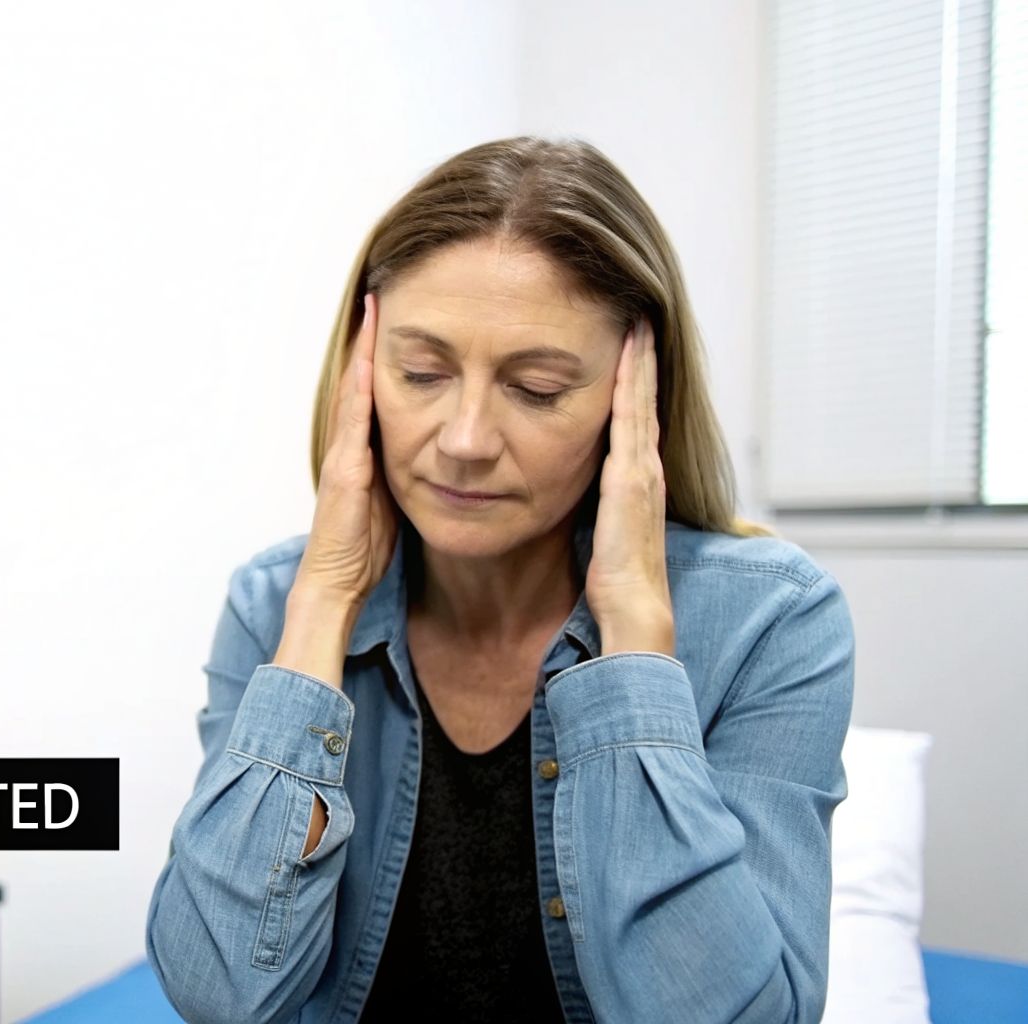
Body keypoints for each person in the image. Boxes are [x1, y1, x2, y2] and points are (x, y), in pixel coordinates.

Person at [144, 136, 855, 1024]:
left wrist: (635, 641)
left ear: (631, 399)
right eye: (422, 374)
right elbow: (221, 999)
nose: (467, 439)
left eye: (538, 387)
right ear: (361, 373)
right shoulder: (274, 604)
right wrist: (324, 600)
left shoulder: (772, 619)